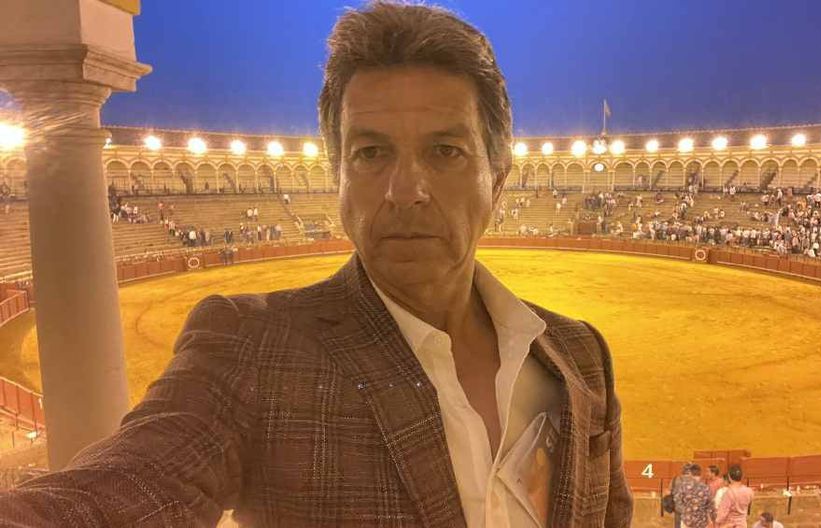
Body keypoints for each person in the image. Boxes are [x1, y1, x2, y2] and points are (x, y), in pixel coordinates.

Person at [0, 2, 632, 527]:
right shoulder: (249, 349)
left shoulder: (580, 356)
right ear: (337, 179)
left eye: (445, 151)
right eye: (371, 153)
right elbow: (127, 486)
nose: (405, 190)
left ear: (498, 177)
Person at [673, 464, 715, 528]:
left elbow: (677, 503)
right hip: (702, 522)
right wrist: (713, 519)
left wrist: (686, 511)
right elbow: (711, 506)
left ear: (690, 473)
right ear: (700, 473)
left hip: (687, 521)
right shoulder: (706, 488)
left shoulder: (683, 487)